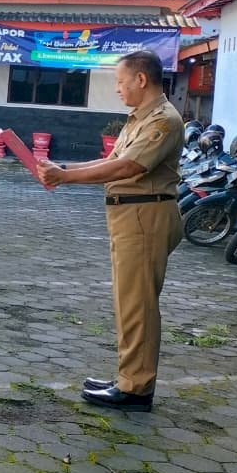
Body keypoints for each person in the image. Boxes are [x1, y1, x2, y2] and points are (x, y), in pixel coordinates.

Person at [37, 50, 182, 412]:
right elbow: (111, 161)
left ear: (141, 80)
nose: (117, 89)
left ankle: (136, 388)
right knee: (129, 303)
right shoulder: (139, 119)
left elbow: (128, 167)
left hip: (145, 218)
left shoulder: (163, 120)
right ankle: (128, 376)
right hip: (131, 217)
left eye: (120, 81)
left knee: (139, 305)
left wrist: (65, 176)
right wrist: (64, 169)